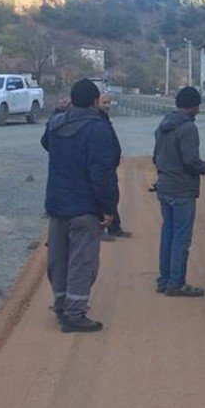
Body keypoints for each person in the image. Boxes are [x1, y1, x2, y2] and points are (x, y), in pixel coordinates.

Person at [41, 79, 119, 333]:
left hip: (57, 205)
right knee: (82, 261)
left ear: (71, 101)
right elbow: (102, 174)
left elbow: (46, 143)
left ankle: (61, 304)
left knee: (59, 257)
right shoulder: (98, 129)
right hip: (84, 207)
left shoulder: (56, 124)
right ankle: (75, 314)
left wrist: (57, 111)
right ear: (96, 102)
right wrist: (109, 208)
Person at [154, 86, 205, 297]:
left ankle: (164, 279)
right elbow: (191, 161)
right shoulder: (188, 129)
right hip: (182, 189)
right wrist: (204, 167)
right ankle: (176, 283)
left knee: (167, 233)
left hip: (165, 186)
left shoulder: (163, 125)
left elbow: (155, 156)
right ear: (193, 106)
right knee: (181, 237)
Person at [98, 93, 132, 240]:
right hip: (102, 166)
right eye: (104, 102)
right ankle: (101, 229)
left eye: (108, 102)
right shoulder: (97, 121)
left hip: (109, 166)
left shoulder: (104, 119)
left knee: (113, 196)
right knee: (104, 196)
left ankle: (114, 228)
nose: (107, 105)